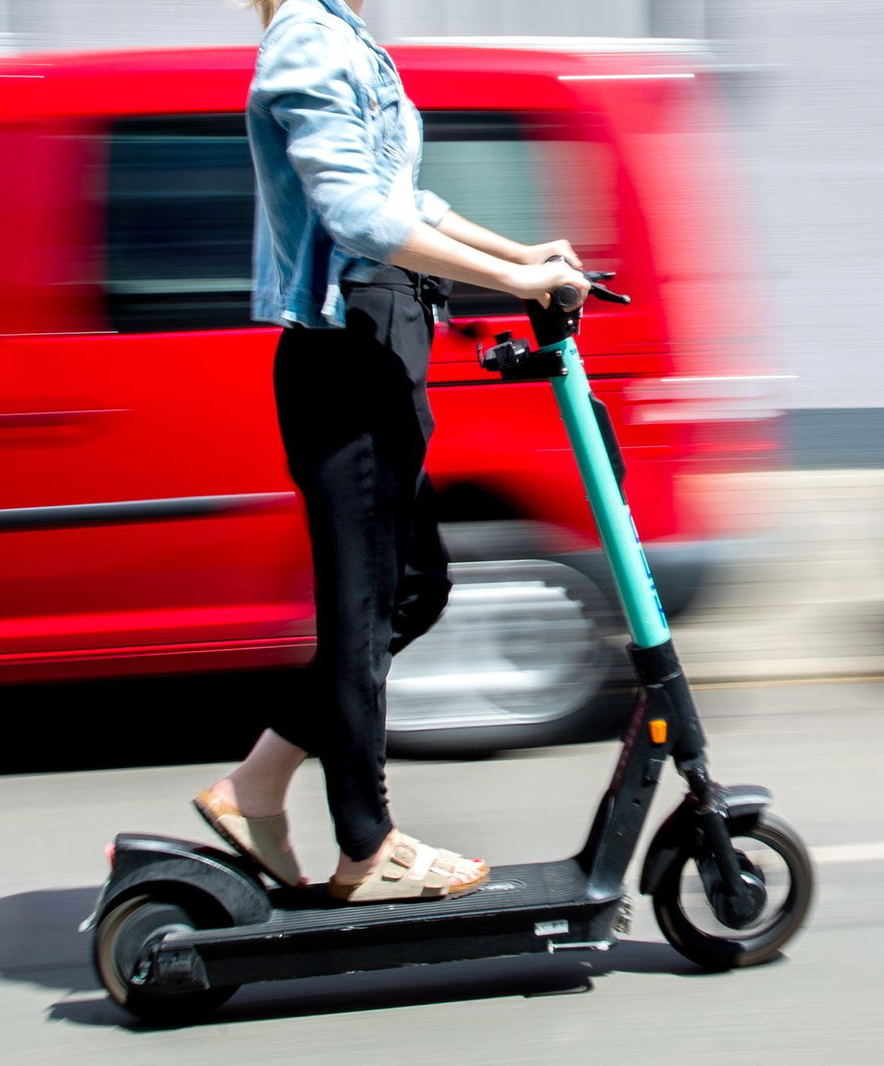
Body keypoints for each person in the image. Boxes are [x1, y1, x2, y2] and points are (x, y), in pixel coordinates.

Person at [194, 0, 592, 904]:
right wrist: (521, 281)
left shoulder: (341, 33)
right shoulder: (307, 36)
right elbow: (357, 215)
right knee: (365, 608)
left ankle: (255, 782)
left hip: (383, 342)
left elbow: (406, 199)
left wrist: (520, 251)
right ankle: (366, 847)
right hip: (349, 351)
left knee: (413, 591)